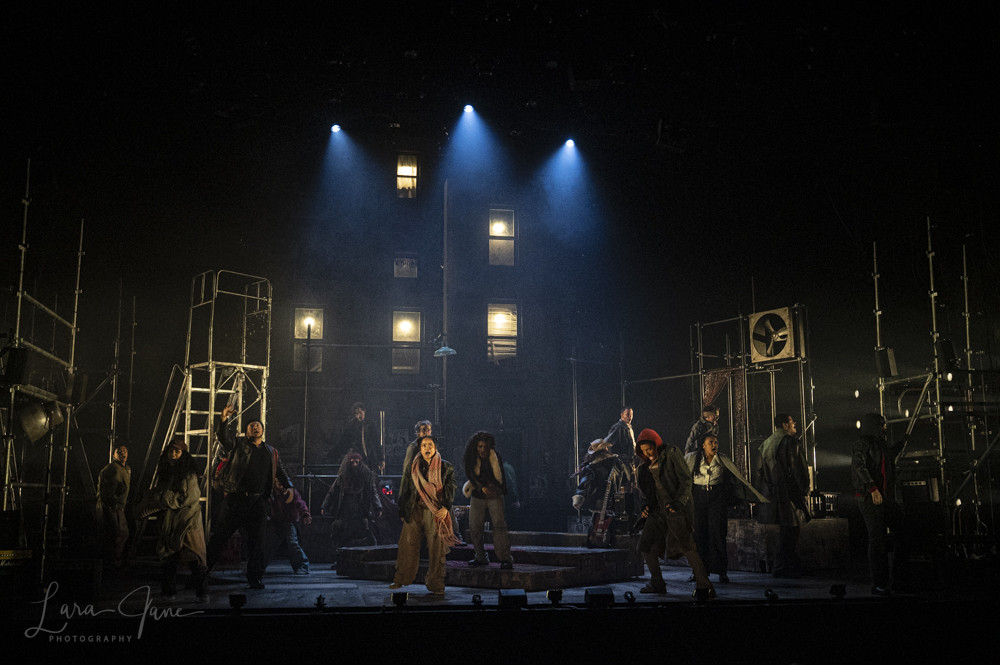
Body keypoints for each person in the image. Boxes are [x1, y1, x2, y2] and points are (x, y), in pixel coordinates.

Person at [206, 404, 293, 589]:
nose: (255, 427)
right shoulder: (238, 446)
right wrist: (223, 419)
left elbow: (280, 471)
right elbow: (223, 437)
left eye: (258, 425)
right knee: (220, 537)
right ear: (246, 432)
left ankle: (255, 578)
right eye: (251, 425)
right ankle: (201, 574)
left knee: (257, 543)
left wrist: (290, 487)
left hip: (258, 502)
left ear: (262, 430)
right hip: (236, 500)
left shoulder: (271, 451)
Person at [634, 428, 715, 597]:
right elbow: (647, 490)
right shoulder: (645, 466)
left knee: (687, 546)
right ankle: (657, 582)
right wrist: (645, 506)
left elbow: (685, 480)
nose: (647, 453)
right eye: (643, 451)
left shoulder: (671, 453)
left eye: (649, 448)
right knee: (646, 545)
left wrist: (679, 502)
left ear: (656, 444)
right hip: (658, 510)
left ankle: (704, 585)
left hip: (674, 508)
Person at [685, 433, 767, 583]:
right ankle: (699, 571)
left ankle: (722, 571)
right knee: (700, 534)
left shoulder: (723, 459)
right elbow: (683, 477)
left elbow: (737, 480)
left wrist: (747, 497)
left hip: (716, 498)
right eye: (710, 442)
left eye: (716, 442)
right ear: (703, 445)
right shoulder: (692, 458)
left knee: (718, 533)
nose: (714, 445)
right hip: (698, 497)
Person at [390, 435, 460, 596]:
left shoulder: (445, 467)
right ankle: (401, 578)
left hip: (434, 509)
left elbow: (451, 487)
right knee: (407, 544)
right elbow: (405, 488)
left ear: (435, 447)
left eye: (430, 445)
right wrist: (403, 510)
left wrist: (446, 507)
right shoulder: (413, 466)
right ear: (420, 449)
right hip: (415, 508)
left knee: (436, 548)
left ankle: (437, 584)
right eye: (423, 445)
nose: (427, 448)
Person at [852, 413, 910, 595]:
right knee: (877, 540)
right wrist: (872, 488)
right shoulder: (862, 444)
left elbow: (887, 457)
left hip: (884, 497)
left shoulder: (880, 444)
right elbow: (859, 466)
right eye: (881, 424)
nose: (885, 427)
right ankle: (879, 583)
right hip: (870, 497)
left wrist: (901, 444)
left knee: (902, 533)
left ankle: (898, 580)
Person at [149, 440, 207, 601]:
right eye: (170, 451)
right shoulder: (166, 472)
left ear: (183, 454)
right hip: (171, 521)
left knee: (195, 556)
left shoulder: (188, 474)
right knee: (169, 556)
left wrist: (163, 496)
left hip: (188, 520)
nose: (173, 455)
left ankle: (203, 592)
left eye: (177, 451)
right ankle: (168, 591)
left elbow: (187, 498)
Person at [757, 413, 811, 578]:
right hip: (788, 492)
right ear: (785, 424)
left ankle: (789, 565)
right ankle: (782, 566)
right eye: (792, 421)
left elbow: (759, 472)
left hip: (773, 493)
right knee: (791, 530)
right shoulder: (790, 442)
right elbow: (797, 468)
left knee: (787, 529)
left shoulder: (766, 443)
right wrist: (804, 489)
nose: (795, 424)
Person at [463, 431, 513, 570]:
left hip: (494, 494)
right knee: (474, 527)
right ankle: (480, 556)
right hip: (478, 495)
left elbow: (500, 475)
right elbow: (470, 474)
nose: (482, 450)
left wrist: (501, 491)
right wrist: (481, 487)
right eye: (480, 446)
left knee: (499, 526)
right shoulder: (472, 457)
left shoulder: (495, 456)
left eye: (485, 446)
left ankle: (505, 558)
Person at [322, 451, 382, 565]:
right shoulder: (343, 477)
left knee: (364, 534)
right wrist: (325, 506)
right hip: (346, 511)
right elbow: (332, 492)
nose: (354, 465)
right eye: (352, 462)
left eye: (356, 462)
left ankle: (362, 560)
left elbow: (373, 493)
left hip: (361, 510)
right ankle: (341, 560)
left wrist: (377, 507)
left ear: (360, 463)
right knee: (342, 534)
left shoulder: (367, 477)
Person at [97, 444, 131, 571]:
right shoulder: (112, 469)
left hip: (118, 506)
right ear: (114, 455)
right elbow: (105, 490)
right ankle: (112, 563)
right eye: (119, 451)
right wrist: (113, 502)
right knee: (115, 533)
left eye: (124, 451)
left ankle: (114, 562)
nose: (122, 453)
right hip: (111, 506)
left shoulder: (126, 469)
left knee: (120, 533)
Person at [268, 479, 313, 574]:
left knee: (292, 543)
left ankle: (302, 566)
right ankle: (258, 567)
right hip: (277, 520)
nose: (280, 485)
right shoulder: (272, 492)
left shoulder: (292, 492)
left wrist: (305, 514)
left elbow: (300, 503)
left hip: (289, 520)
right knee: (269, 543)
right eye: (278, 483)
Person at [572, 439, 629, 513]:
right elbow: (626, 479)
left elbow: (584, 483)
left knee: (599, 520)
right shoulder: (618, 462)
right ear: (606, 449)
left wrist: (578, 499)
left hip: (598, 504)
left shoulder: (592, 467)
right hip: (616, 503)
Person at [328, 402, 383, 472]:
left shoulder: (371, 425)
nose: (359, 415)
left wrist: (381, 459)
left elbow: (377, 442)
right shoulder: (351, 425)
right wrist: (332, 454)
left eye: (360, 412)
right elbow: (343, 442)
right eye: (356, 413)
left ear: (364, 411)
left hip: (370, 458)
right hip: (356, 457)